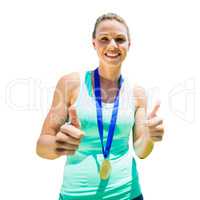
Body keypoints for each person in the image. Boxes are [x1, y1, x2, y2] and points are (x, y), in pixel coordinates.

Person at [36, 13, 164, 200]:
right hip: (76, 195)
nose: (112, 45)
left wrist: (150, 138)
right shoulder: (70, 84)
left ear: (129, 45)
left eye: (120, 39)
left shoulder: (137, 93)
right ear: (94, 43)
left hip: (128, 194)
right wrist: (59, 145)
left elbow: (140, 150)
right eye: (104, 39)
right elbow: (41, 146)